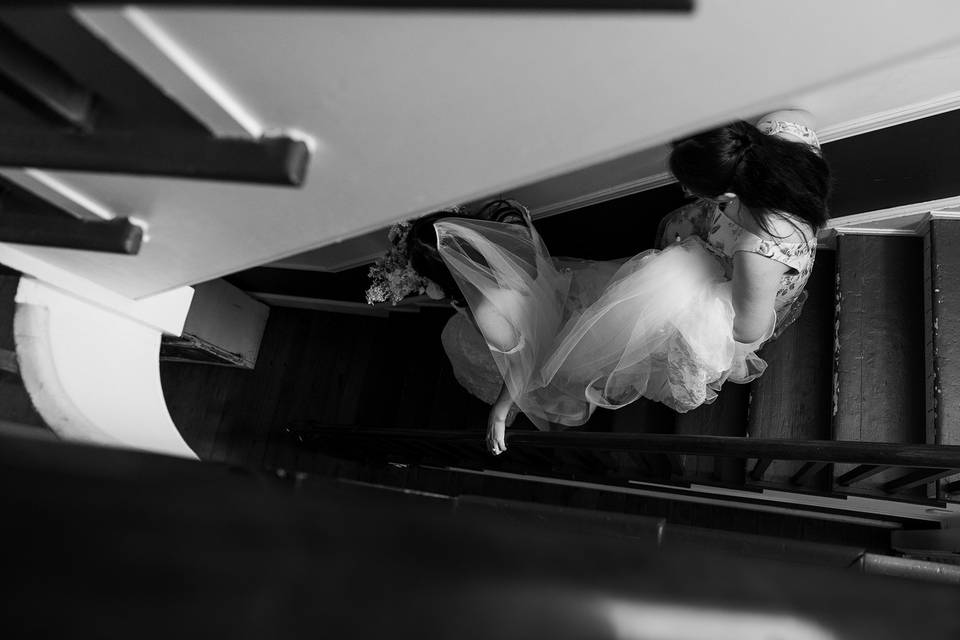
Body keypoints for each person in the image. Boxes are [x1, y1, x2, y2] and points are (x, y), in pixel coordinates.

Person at [374, 111, 830, 456]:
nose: (691, 195)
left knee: (635, 325)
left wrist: (708, 287)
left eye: (697, 190)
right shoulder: (782, 136)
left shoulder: (757, 251)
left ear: (728, 195)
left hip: (746, 282)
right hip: (728, 251)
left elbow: (749, 330)